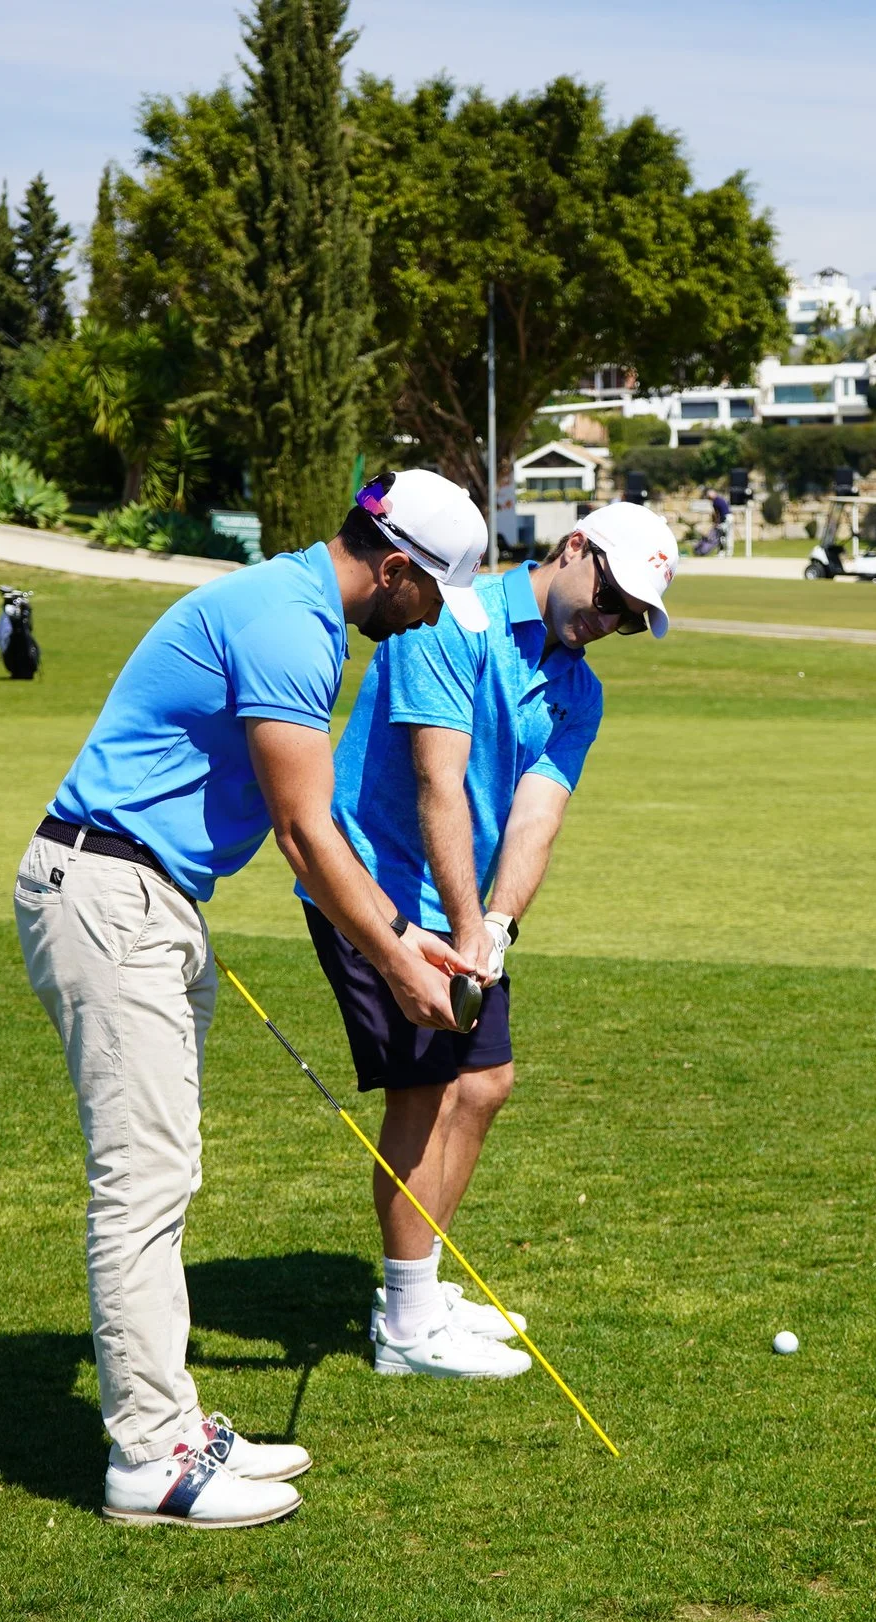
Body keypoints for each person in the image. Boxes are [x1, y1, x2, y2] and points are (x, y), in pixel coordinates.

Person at [17, 470, 487, 1530]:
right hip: (111, 887)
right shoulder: (293, 624)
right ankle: (150, 1458)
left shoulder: (290, 604)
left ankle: (175, 1420)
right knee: (141, 1180)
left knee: (167, 1168)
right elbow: (305, 834)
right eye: (428, 599)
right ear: (399, 569)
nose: (422, 623)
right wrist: (400, 970)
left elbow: (318, 835)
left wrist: (407, 936)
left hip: (143, 890)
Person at [307, 501, 674, 1379]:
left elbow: (536, 814)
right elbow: (439, 780)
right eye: (611, 594)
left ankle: (422, 1287)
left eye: (630, 616)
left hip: (467, 906)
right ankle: (405, 1325)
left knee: (486, 1084)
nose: (611, 619)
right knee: (425, 1092)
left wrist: (498, 928)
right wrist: (465, 927)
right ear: (572, 547)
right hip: (378, 888)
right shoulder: (453, 614)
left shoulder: (578, 689)